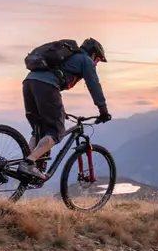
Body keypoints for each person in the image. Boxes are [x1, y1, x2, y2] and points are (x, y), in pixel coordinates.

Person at [18, 37, 111, 179]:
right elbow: (94, 85)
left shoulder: (69, 57)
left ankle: (25, 163)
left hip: (29, 83)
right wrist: (103, 110)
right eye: (98, 60)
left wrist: (58, 109)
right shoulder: (85, 60)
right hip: (46, 86)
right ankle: (29, 163)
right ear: (93, 54)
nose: (97, 64)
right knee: (56, 131)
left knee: (39, 130)